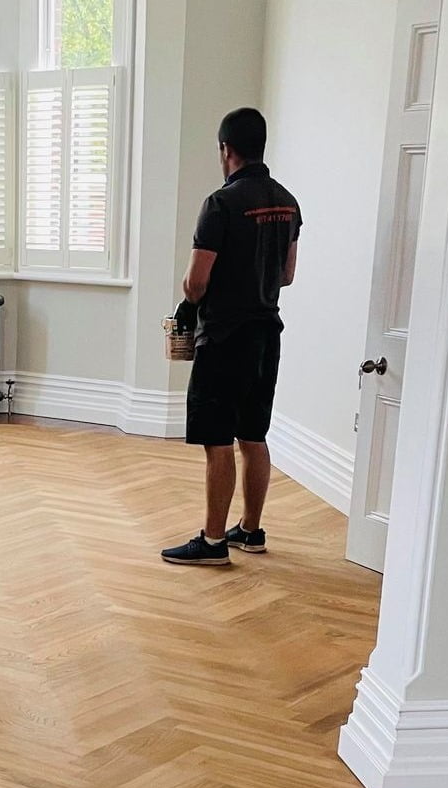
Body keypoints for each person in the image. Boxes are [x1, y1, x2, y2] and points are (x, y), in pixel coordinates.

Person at [161, 108, 301, 566]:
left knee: (217, 441)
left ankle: (214, 541)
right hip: (267, 335)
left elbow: (195, 283)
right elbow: (286, 275)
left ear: (226, 149)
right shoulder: (287, 202)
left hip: (223, 339)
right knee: (253, 435)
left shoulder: (220, 204)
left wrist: (198, 295)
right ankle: (252, 530)